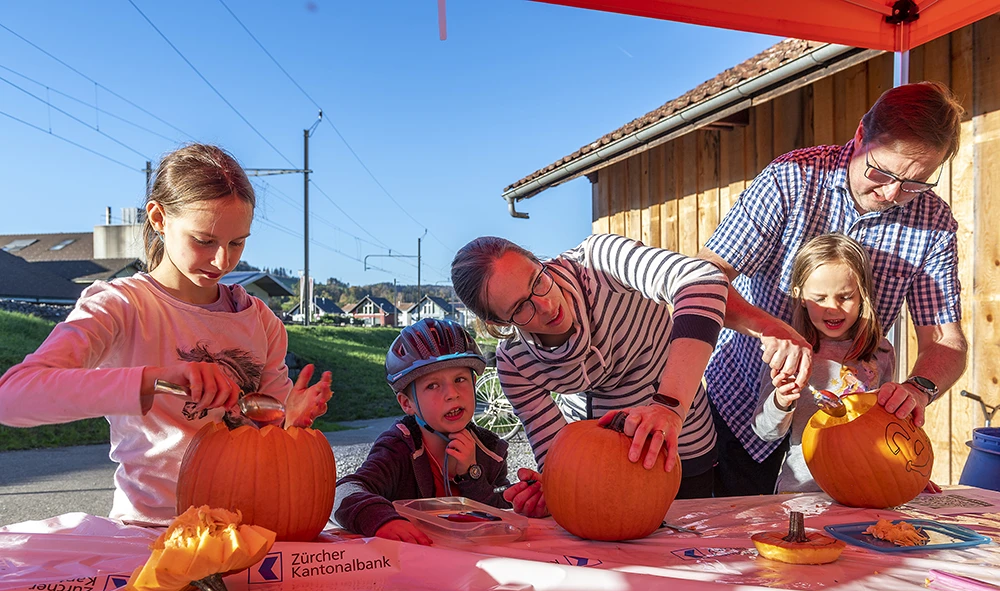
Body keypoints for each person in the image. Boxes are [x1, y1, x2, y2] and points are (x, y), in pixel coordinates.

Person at [0, 143, 333, 524]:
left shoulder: (260, 320)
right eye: (204, 240)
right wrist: (155, 380)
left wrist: (289, 421)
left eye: (237, 242)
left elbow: (266, 438)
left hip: (248, 528)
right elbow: (12, 398)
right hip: (149, 530)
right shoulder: (120, 306)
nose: (223, 260)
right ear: (159, 218)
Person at [699, 81, 969, 496]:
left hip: (843, 440)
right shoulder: (792, 180)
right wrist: (772, 330)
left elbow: (946, 342)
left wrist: (919, 388)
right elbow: (704, 277)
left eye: (915, 183)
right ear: (861, 135)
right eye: (881, 172)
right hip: (740, 411)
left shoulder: (933, 223)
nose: (893, 194)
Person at [451, 233, 729, 513]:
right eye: (521, 308)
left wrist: (669, 407)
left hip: (681, 445)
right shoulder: (515, 363)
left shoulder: (599, 262)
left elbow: (702, 280)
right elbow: (555, 453)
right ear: (498, 322)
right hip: (603, 471)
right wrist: (556, 487)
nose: (546, 306)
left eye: (538, 280)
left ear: (539, 261)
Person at [333, 319, 535, 545]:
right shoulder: (399, 446)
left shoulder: (491, 450)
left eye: (460, 379)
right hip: (412, 565)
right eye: (433, 385)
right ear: (407, 403)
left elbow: (498, 517)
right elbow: (343, 492)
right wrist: (383, 521)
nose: (452, 394)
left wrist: (473, 474)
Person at [751, 234, 900, 492]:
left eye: (844, 297)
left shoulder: (881, 352)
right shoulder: (789, 353)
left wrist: (907, 470)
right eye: (819, 298)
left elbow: (888, 426)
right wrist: (781, 401)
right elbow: (765, 432)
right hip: (802, 492)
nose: (833, 308)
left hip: (868, 488)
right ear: (799, 296)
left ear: (863, 293)